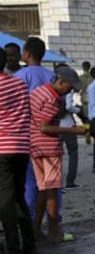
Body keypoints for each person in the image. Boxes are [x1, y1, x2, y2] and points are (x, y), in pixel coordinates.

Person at [29, 66, 87, 243]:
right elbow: (45, 127)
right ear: (61, 82)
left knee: (42, 189)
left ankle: (36, 230)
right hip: (49, 147)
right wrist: (73, 130)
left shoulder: (38, 92)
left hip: (34, 146)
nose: (69, 90)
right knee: (52, 190)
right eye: (69, 87)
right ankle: (54, 232)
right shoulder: (53, 100)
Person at [0, 50, 36, 254]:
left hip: (2, 149)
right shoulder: (19, 84)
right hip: (22, 147)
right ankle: (30, 246)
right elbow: (27, 113)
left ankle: (15, 251)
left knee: (5, 202)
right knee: (19, 196)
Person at [15, 37, 56, 220]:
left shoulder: (19, 77)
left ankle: (30, 219)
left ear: (27, 54)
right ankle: (54, 217)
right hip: (50, 135)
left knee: (31, 182)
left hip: (27, 135)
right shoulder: (51, 76)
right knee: (53, 181)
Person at [60, 90, 82, 189]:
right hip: (68, 125)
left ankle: (57, 184)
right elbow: (68, 106)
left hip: (56, 126)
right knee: (73, 154)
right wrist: (77, 110)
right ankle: (70, 181)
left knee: (56, 156)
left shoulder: (51, 90)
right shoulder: (68, 91)